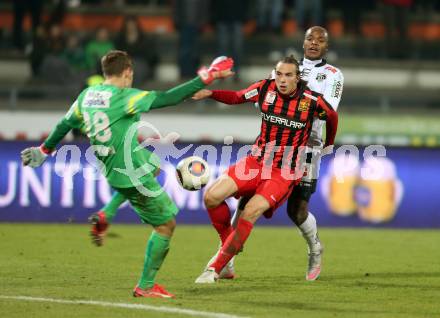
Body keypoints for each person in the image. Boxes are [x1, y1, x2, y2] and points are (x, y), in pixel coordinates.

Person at [20, 50, 234, 298]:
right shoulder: (125, 97)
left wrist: (45, 149)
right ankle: (146, 285)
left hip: (113, 164)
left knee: (154, 165)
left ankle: (105, 213)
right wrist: (208, 77)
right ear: (128, 72)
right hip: (130, 172)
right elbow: (168, 97)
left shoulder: (87, 96)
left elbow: (64, 125)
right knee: (166, 225)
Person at [192, 55, 338, 283]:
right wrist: (211, 94)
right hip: (256, 162)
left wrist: (329, 144)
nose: (282, 80)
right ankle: (228, 247)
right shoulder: (265, 88)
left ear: (297, 78)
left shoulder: (311, 100)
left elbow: (331, 116)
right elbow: (237, 97)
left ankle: (216, 269)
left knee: (251, 211)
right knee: (211, 196)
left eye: (288, 75)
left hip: (285, 170)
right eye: (279, 74)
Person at [221, 26, 344, 281]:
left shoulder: (333, 75)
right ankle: (227, 259)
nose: (314, 43)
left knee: (296, 211)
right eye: (310, 38)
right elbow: (262, 98)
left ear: (326, 47)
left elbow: (328, 110)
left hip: (308, 148)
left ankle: (315, 248)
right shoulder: (283, 69)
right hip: (273, 146)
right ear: (303, 42)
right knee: (245, 203)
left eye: (320, 40)